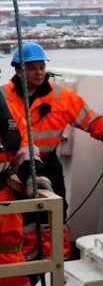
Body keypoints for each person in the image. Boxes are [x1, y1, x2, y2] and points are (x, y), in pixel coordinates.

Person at [0, 42, 103, 260]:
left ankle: (60, 262)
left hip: (48, 165)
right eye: (32, 68)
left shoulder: (62, 97)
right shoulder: (3, 98)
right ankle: (30, 266)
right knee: (24, 222)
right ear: (18, 71)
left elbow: (94, 122)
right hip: (14, 171)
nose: (39, 72)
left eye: (41, 67)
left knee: (55, 218)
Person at [0, 90, 31, 286]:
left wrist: (34, 174)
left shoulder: (7, 111)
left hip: (3, 200)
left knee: (10, 253)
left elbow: (24, 147)